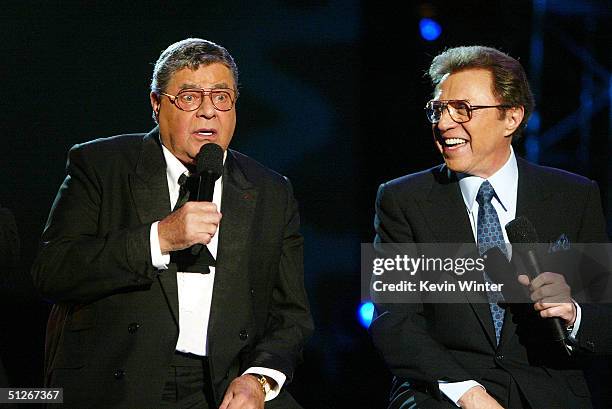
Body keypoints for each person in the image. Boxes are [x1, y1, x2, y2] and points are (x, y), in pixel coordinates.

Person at [31, 38, 313, 409]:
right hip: (122, 378)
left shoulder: (270, 189)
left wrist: (259, 380)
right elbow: (52, 272)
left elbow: (291, 316)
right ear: (156, 104)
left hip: (225, 381)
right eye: (191, 97)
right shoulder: (102, 165)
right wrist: (159, 238)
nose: (209, 112)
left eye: (221, 97)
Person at [370, 45, 611, 408]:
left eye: (463, 109)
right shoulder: (403, 199)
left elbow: (605, 319)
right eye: (438, 109)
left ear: (511, 118)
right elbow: (394, 321)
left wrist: (573, 312)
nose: (444, 123)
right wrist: (467, 392)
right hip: (444, 392)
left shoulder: (572, 196)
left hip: (548, 392)